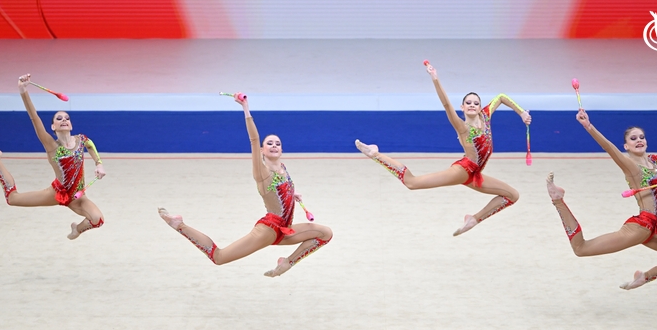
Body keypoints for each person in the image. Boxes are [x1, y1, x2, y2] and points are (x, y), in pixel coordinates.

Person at [158, 93, 332, 277]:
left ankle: (286, 263)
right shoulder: (262, 173)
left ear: (282, 149)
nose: (274, 145)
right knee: (219, 257)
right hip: (269, 230)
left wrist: (292, 193)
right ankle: (179, 225)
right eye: (269, 143)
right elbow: (254, 139)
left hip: (285, 230)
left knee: (325, 234)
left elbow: (281, 191)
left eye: (278, 143)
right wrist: (245, 108)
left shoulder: (282, 168)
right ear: (262, 150)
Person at [355, 60, 532, 236]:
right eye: (468, 103)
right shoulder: (462, 127)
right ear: (462, 107)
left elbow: (501, 97)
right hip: (463, 170)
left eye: (476, 103)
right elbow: (447, 104)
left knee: (512, 196)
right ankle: (375, 153)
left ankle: (473, 219)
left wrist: (521, 112)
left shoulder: (485, 116)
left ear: (480, 108)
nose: (472, 105)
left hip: (476, 175)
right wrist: (435, 79)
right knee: (412, 183)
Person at [546, 109, 657, 290]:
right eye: (633, 139)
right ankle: (558, 199)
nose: (639, 140)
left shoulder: (655, 161)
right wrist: (589, 126)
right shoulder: (631, 166)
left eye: (641, 137)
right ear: (626, 146)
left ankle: (644, 278)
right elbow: (609, 148)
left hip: (654, 230)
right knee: (581, 249)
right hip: (640, 228)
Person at [0, 74, 106, 240]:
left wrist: (99, 164)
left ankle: (77, 229)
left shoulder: (80, 139)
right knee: (12, 199)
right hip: (56, 193)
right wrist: (23, 91)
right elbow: (34, 118)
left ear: (71, 124)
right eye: (59, 118)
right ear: (53, 126)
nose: (64, 120)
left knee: (97, 220)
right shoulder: (52, 146)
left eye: (67, 118)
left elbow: (90, 144)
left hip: (77, 197)